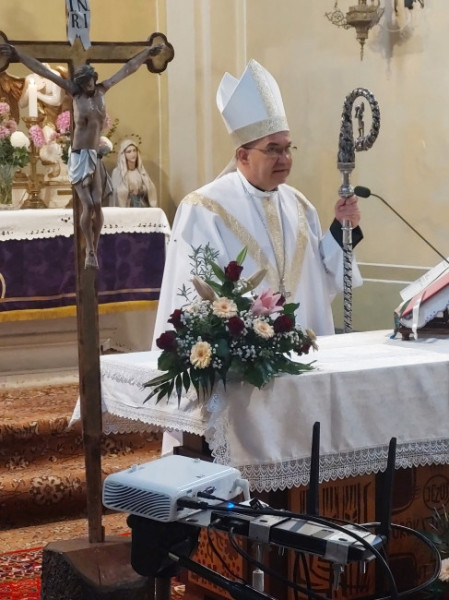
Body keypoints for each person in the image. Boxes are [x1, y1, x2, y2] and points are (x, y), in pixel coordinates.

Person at [153, 59, 363, 347]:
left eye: (288, 148)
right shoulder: (204, 209)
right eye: (273, 150)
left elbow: (320, 279)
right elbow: (194, 292)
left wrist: (341, 228)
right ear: (243, 156)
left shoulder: (300, 205)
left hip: (303, 348)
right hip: (243, 355)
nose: (285, 158)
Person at [0, 42, 164, 268]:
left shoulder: (103, 90)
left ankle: (94, 248)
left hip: (94, 154)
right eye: (84, 82)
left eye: (90, 81)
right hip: (78, 156)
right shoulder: (75, 94)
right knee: (87, 204)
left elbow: (127, 69)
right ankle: (89, 249)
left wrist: (146, 53)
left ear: (94, 79)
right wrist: (17, 54)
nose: (88, 85)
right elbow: (42, 70)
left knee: (97, 204)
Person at [111, 139, 157, 208]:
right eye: (129, 152)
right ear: (124, 154)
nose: (133, 154)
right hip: (126, 207)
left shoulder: (141, 171)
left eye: (134, 150)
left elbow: (151, 188)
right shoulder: (117, 172)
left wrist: (142, 189)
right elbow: (115, 193)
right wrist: (128, 191)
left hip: (141, 205)